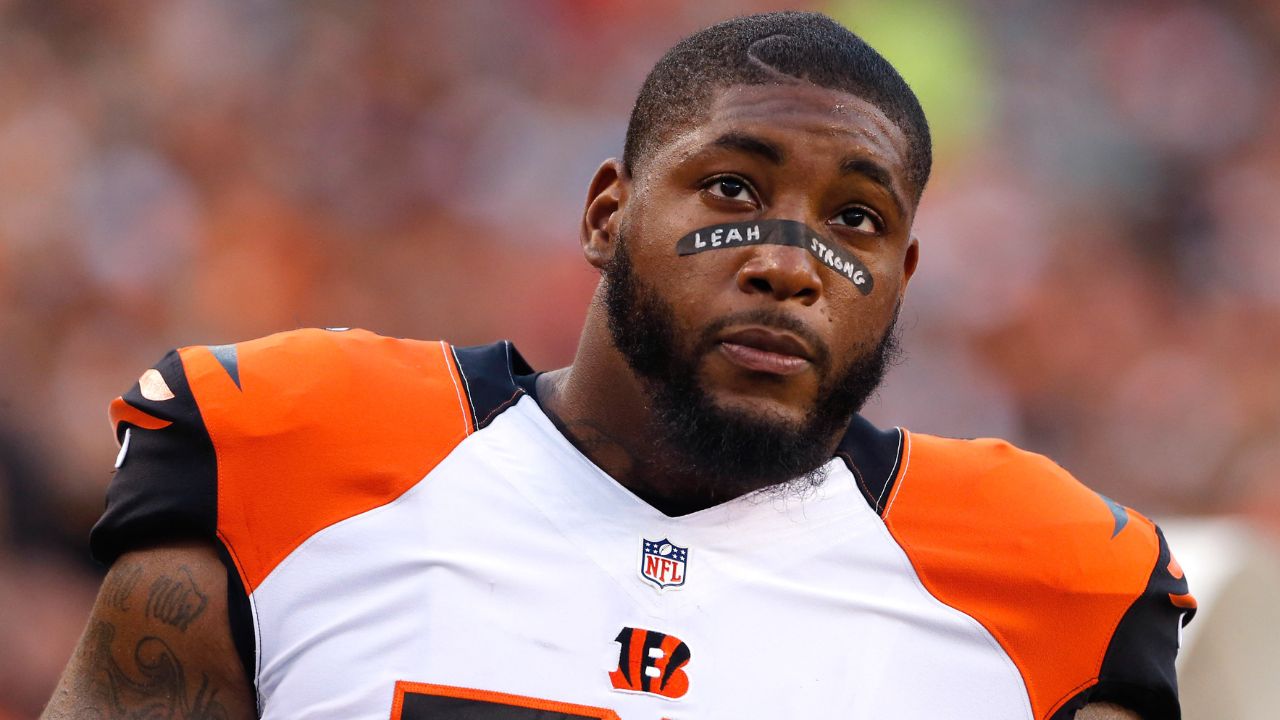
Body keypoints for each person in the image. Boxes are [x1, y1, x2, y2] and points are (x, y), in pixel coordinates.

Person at [43, 12, 1193, 720]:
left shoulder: (1042, 584)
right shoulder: (300, 454)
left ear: (903, 276)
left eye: (853, 221)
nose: (789, 262)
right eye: (732, 190)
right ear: (607, 213)